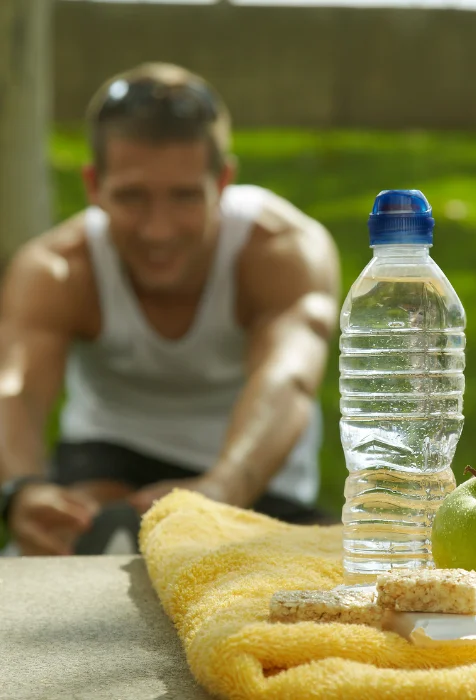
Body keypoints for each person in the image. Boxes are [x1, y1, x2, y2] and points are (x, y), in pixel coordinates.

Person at [0, 62, 340, 556]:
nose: (157, 231)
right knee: (68, 546)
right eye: (132, 197)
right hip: (106, 463)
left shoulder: (282, 250)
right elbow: (17, 387)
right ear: (94, 185)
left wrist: (223, 488)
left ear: (223, 182)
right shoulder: (57, 268)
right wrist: (22, 489)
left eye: (184, 197)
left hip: (251, 473)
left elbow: (288, 381)